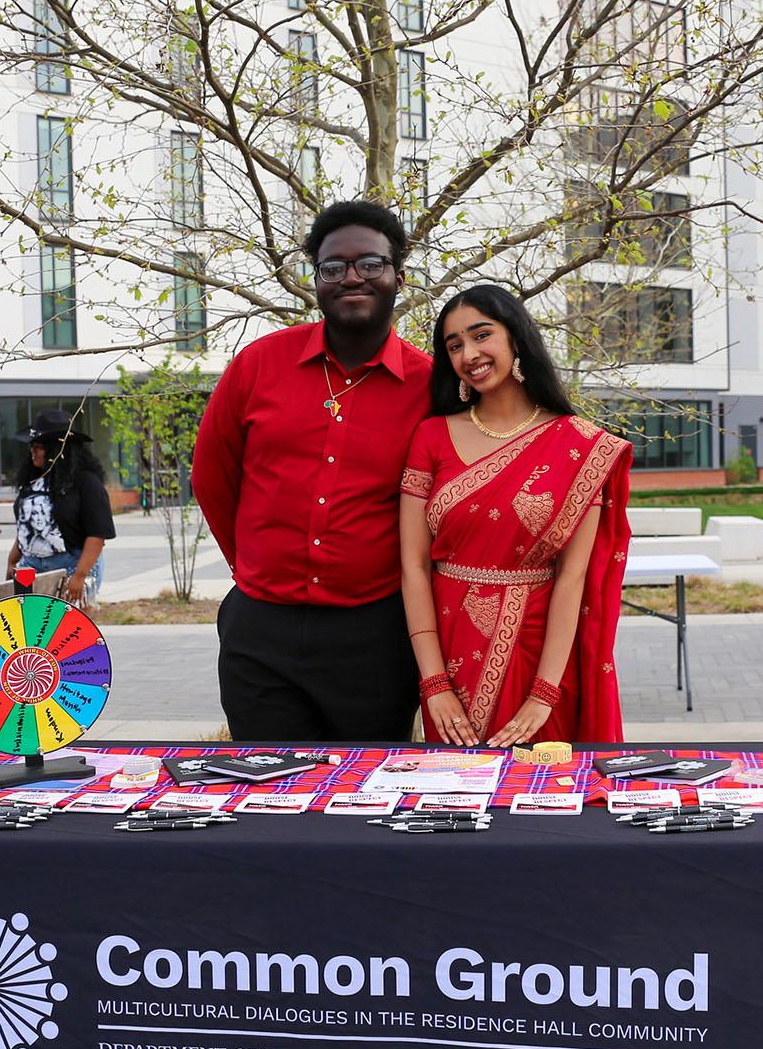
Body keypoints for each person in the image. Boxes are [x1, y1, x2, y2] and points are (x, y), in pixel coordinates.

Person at [193, 201, 433, 742]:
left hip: (374, 634)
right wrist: (256, 566)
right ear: (316, 281)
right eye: (333, 267)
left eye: (370, 263)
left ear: (399, 275)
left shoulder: (430, 386)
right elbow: (213, 478)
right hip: (261, 631)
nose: (352, 277)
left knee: (365, 795)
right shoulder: (257, 365)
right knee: (267, 790)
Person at [399, 286, 634, 747]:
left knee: (541, 792)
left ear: (517, 339)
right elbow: (414, 565)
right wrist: (434, 684)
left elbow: (573, 576)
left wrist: (544, 694)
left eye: (482, 335)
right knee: (455, 794)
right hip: (449, 646)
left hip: (539, 650)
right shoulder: (431, 437)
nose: (470, 353)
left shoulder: (579, 446)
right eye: (454, 345)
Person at [5, 410, 115, 605]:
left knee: (67, 632)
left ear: (57, 450)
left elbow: (97, 534)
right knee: (35, 632)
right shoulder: (32, 482)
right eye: (32, 446)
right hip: (31, 566)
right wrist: (13, 560)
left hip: (72, 564)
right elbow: (27, 526)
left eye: (39, 447)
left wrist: (80, 576)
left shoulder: (86, 483)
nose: (33, 451)